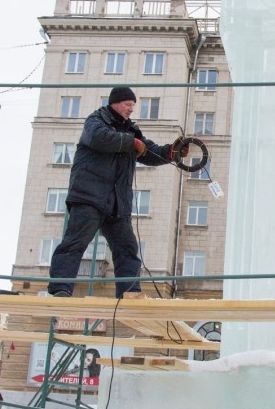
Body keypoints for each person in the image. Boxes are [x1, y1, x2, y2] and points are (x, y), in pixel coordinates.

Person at [48, 87, 178, 298]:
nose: (131, 110)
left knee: (127, 248)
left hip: (117, 203)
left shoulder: (131, 131)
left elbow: (150, 151)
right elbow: (101, 138)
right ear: (115, 103)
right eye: (128, 105)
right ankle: (61, 288)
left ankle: (129, 293)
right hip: (90, 197)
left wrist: (172, 152)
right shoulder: (95, 121)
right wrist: (130, 142)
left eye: (133, 106)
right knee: (75, 242)